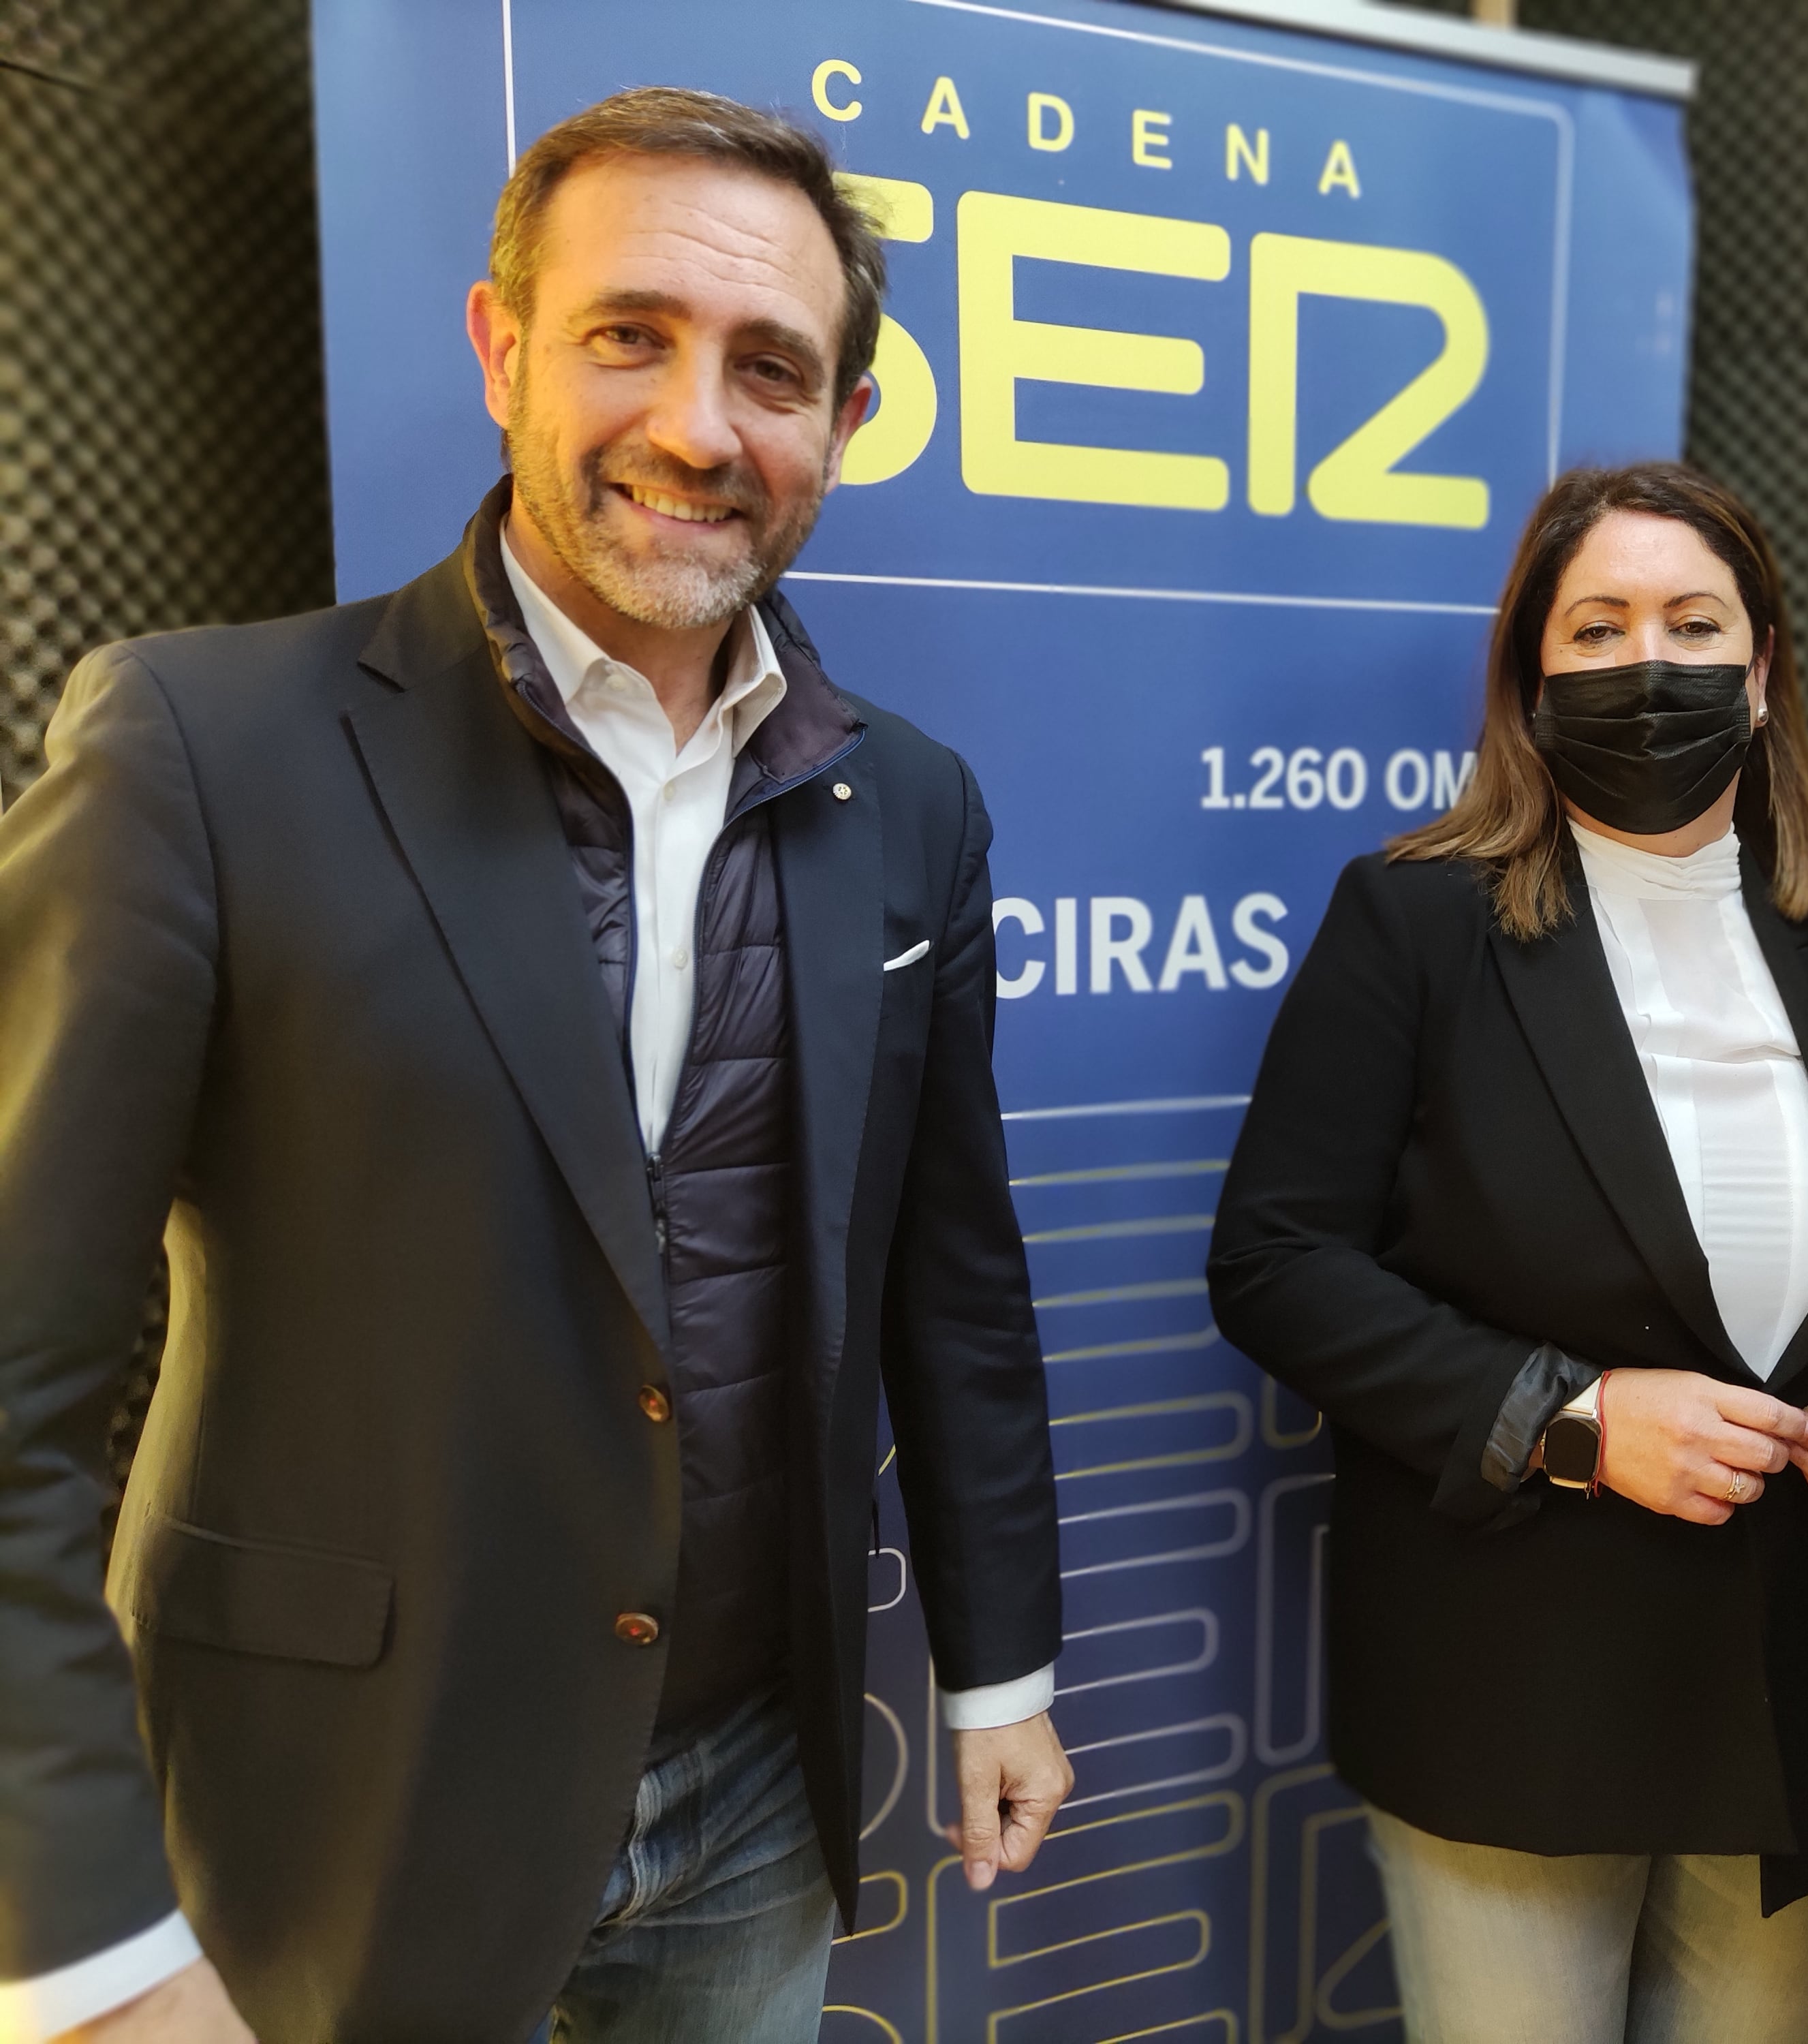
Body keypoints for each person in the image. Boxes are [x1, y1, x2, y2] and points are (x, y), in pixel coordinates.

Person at [0, 89, 1071, 2043]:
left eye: (772, 369)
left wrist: (1001, 1676)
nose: (697, 425)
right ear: (503, 350)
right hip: (331, 1808)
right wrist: (86, 1951)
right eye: (627, 335)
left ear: (840, 423)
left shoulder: (914, 808)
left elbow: (957, 1286)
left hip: (754, 1796)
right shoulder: (194, 746)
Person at [1209, 463, 1808, 2043]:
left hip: (1794, 1689)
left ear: (1761, 674)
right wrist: (1573, 1417)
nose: (1645, 665)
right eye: (1595, 627)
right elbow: (1274, 1261)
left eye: (1692, 624)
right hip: (1513, 1685)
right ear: (1531, 683)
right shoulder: (1415, 922)